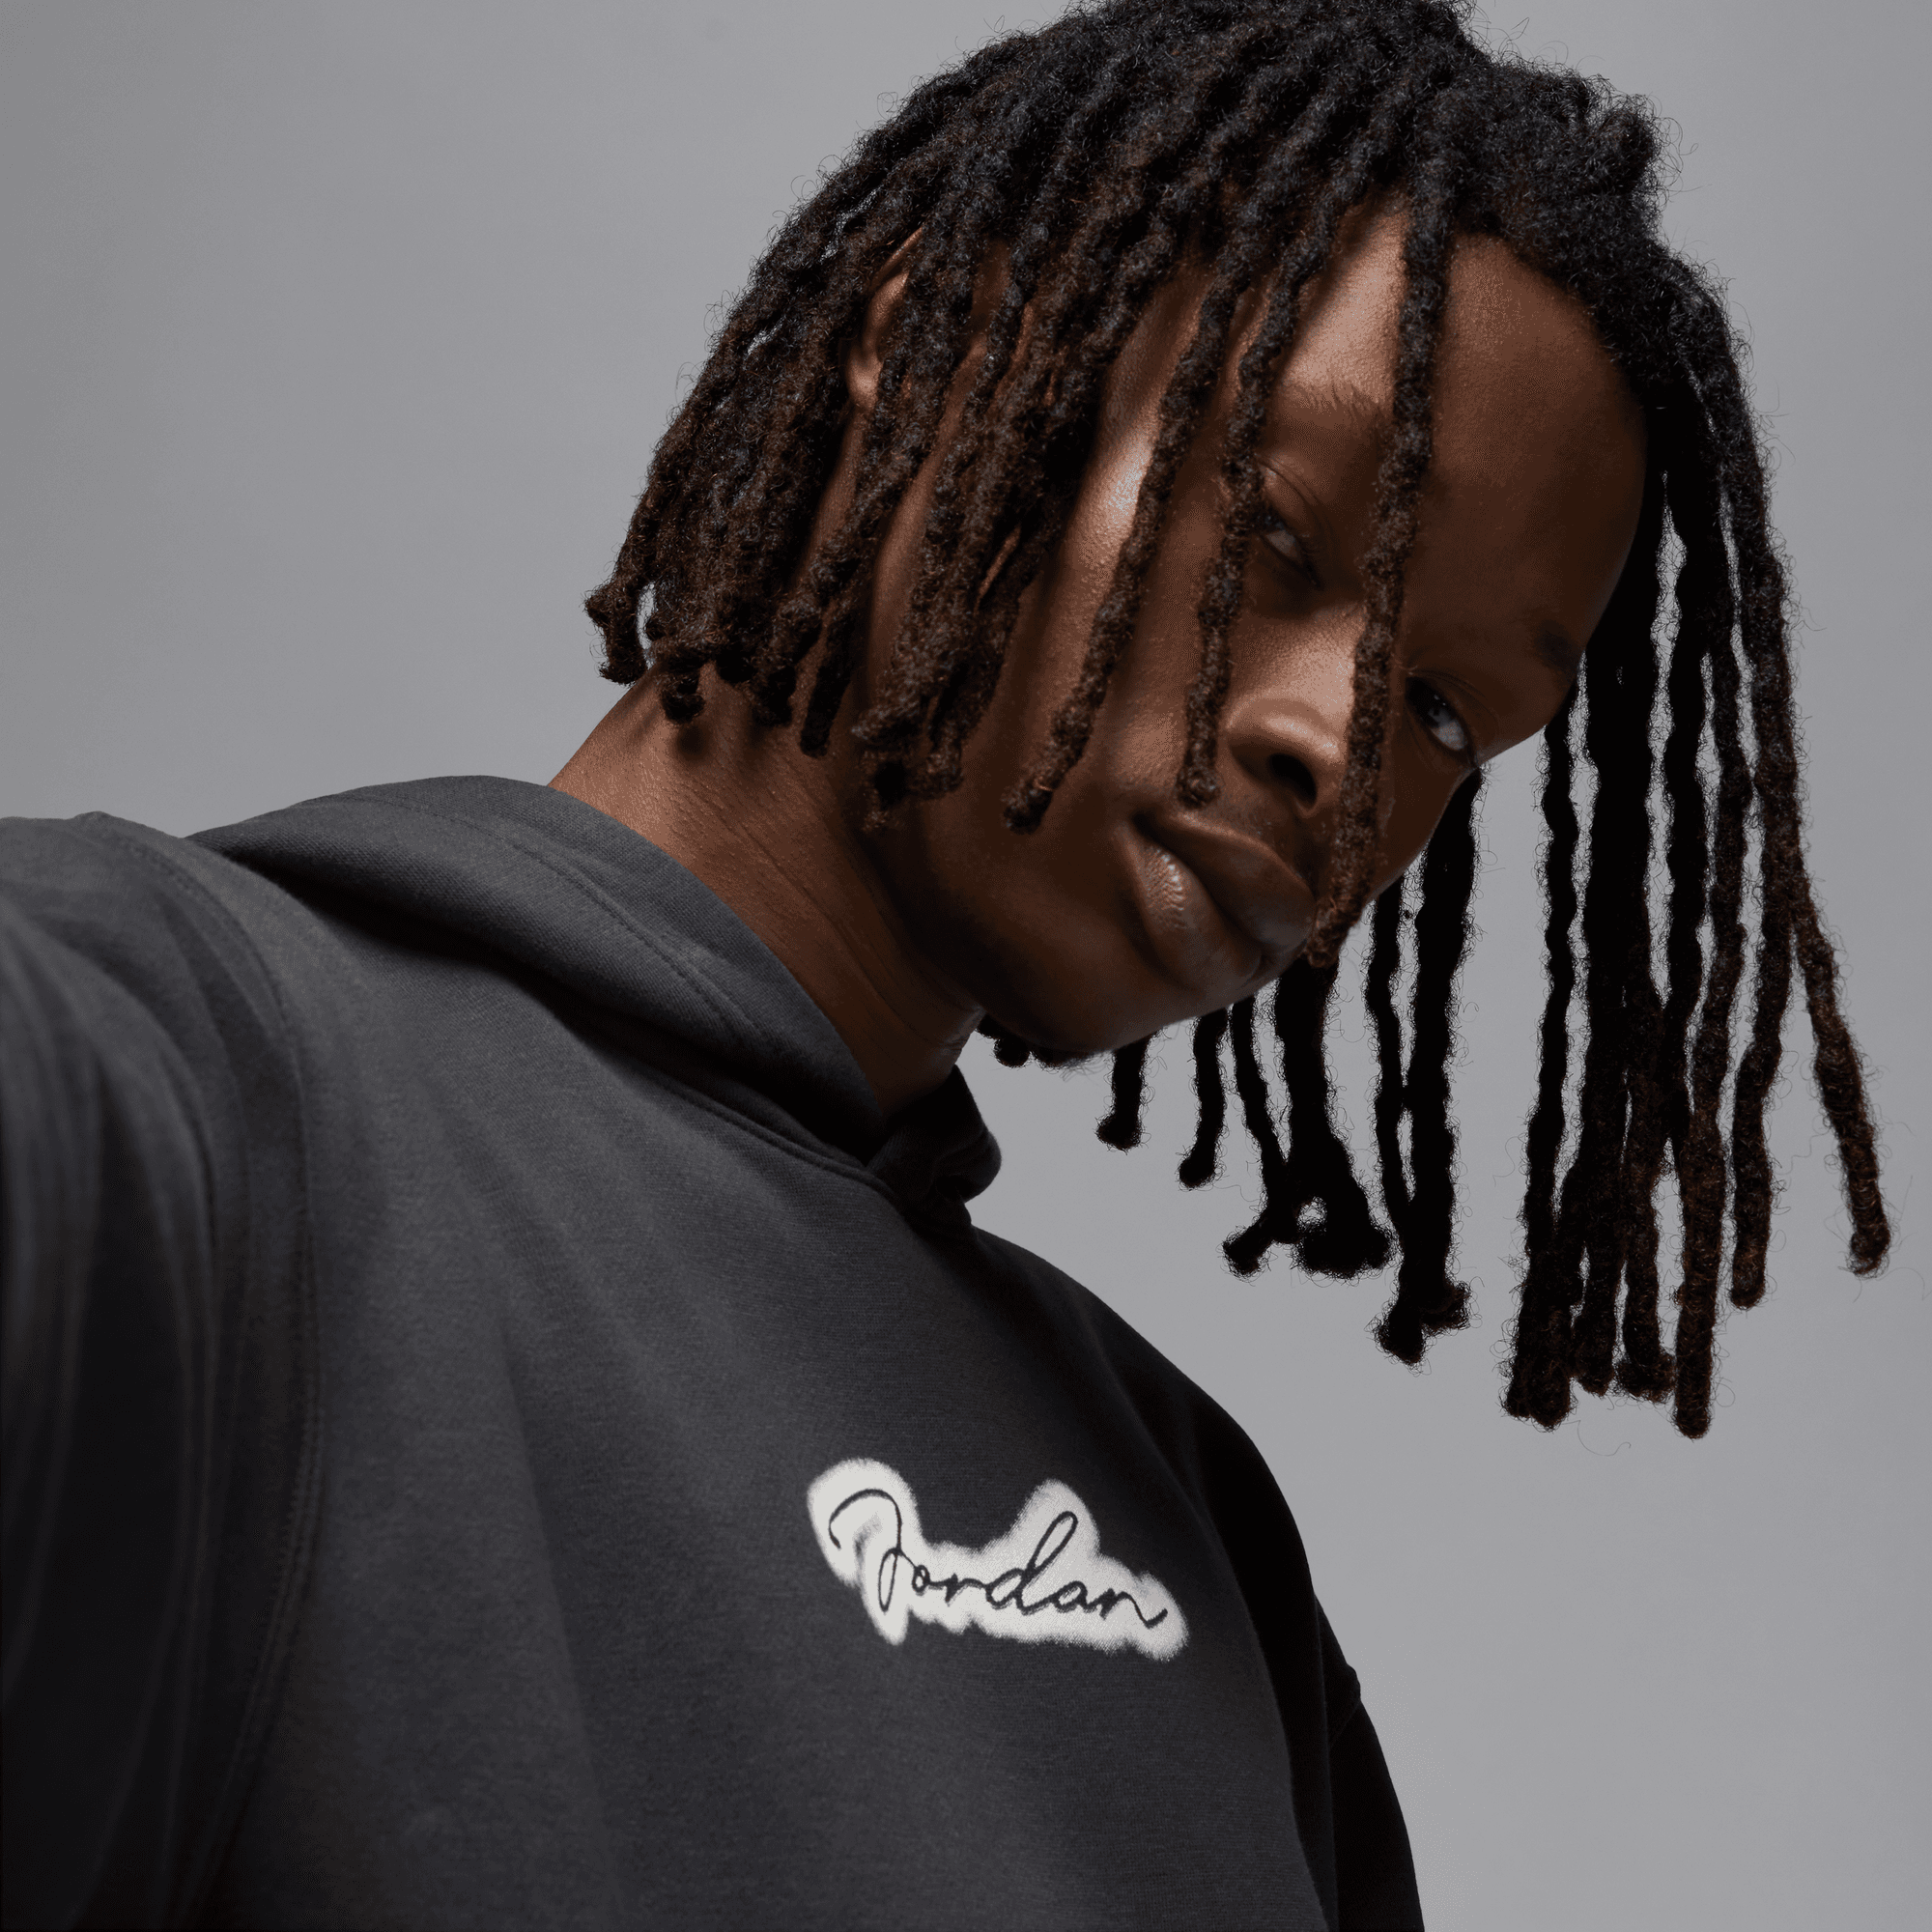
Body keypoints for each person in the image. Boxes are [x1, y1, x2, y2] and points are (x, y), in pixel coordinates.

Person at [0, 2, 1889, 1927]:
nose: (1341, 756)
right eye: (1281, 537)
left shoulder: (1186, 1531)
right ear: (936, 351)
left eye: (1445, 712)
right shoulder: (134, 1080)